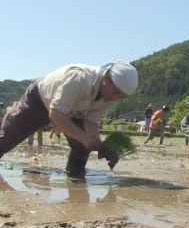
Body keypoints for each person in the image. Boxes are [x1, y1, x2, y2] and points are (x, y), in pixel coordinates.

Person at [0, 60, 138, 177]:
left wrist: (100, 145)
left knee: (83, 145)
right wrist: (85, 138)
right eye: (115, 92)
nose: (116, 98)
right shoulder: (79, 79)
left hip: (73, 110)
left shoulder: (109, 97)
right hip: (41, 99)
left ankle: (74, 177)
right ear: (106, 79)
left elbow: (91, 122)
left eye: (122, 96)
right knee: (8, 137)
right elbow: (56, 114)